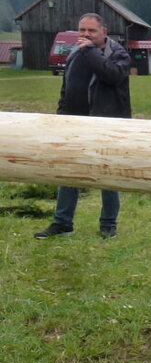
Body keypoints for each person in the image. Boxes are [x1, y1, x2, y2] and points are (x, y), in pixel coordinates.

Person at [35, 13, 131, 240]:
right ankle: (62, 223)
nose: (85, 34)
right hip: (74, 125)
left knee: (107, 175)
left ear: (104, 32)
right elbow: (66, 88)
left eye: (91, 30)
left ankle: (108, 225)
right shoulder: (75, 54)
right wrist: (61, 118)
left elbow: (112, 76)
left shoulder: (118, 54)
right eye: (82, 30)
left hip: (106, 125)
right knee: (69, 173)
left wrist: (89, 50)